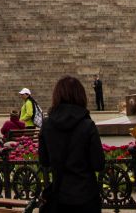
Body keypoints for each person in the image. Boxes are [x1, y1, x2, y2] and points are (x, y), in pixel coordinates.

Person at [38, 76, 106, 213]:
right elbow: (98, 164)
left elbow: (44, 161)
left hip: (59, 195)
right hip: (86, 196)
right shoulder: (87, 125)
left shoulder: (47, 124)